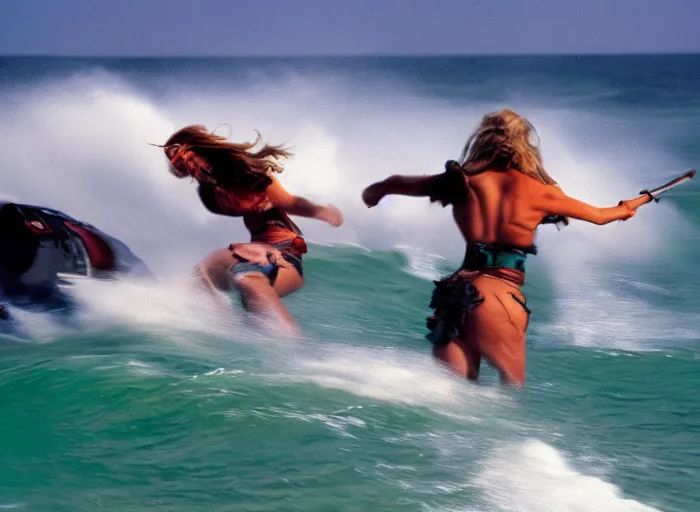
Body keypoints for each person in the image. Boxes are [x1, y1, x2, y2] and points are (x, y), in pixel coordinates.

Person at [361, 109, 652, 385]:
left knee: (453, 402)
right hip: (501, 298)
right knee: (507, 402)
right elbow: (601, 216)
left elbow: (396, 182)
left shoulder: (463, 182)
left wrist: (376, 192)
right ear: (524, 145)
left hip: (455, 298)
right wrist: (630, 206)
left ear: (484, 140)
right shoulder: (541, 193)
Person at [162, 125, 343, 333]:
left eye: (182, 159)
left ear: (194, 147)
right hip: (261, 247)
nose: (185, 168)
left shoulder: (248, 174)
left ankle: (297, 350)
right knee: (203, 275)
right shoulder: (211, 196)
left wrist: (320, 211)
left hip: (285, 249)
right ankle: (224, 331)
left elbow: (289, 202)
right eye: (179, 168)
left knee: (245, 278)